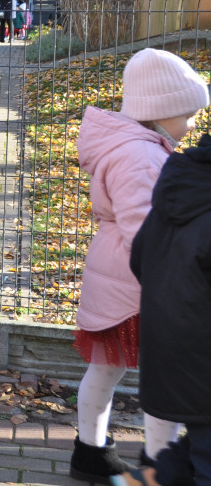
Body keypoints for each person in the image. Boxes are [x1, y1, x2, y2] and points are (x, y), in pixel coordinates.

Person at [71, 48, 209, 483]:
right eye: (187, 115)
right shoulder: (142, 156)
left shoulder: (134, 146)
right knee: (162, 382)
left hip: (116, 274)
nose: (192, 125)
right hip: (135, 284)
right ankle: (156, 462)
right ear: (160, 110)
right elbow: (145, 230)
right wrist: (167, 280)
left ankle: (90, 451)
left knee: (105, 369)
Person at [126, 132, 211, 486]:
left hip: (169, 344)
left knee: (195, 446)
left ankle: (137, 481)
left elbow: (140, 257)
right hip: (202, 353)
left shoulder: (183, 183)